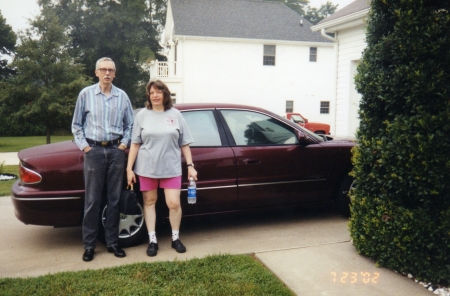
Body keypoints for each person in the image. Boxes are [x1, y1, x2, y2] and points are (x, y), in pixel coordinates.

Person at [72, 57, 134, 262]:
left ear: (115, 73)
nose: (107, 73)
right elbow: (76, 125)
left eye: (111, 70)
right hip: (94, 152)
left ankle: (113, 243)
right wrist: (86, 147)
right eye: (103, 70)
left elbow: (130, 126)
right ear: (96, 72)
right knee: (92, 201)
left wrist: (124, 144)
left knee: (114, 199)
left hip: (116, 151)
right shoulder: (86, 94)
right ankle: (89, 246)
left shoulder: (122, 97)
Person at [126, 80, 197, 257]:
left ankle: (175, 238)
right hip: (146, 167)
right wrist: (129, 169)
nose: (155, 95)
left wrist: (190, 166)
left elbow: (185, 143)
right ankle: (152, 240)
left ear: (165, 94)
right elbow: (134, 144)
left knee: (173, 203)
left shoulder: (176, 115)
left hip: (171, 167)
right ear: (149, 96)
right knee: (149, 202)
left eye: (158, 92)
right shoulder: (142, 115)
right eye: (152, 93)